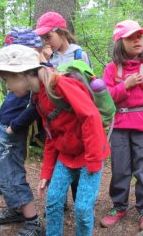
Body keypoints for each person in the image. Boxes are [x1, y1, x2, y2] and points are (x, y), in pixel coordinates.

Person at [0, 44, 110, 236]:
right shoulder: (37, 97)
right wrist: (46, 172)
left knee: (82, 209)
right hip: (66, 156)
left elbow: (91, 117)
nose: (8, 88)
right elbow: (52, 135)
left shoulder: (61, 85)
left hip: (89, 155)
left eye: (8, 81)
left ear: (22, 74)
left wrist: (94, 161)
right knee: (52, 203)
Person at [99, 20, 143, 231]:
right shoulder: (111, 70)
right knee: (120, 169)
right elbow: (105, 98)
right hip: (120, 125)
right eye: (131, 37)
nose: (137, 40)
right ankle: (119, 207)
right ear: (121, 42)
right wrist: (125, 86)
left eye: (139, 36)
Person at [0, 26, 46, 236]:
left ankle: (33, 221)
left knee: (11, 175)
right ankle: (16, 209)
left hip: (12, 132)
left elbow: (35, 108)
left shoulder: (35, 75)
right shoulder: (18, 75)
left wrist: (15, 127)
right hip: (1, 127)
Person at [34, 11, 92, 205]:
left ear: (62, 33)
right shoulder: (50, 56)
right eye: (43, 38)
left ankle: (79, 201)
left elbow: (87, 83)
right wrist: (46, 60)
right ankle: (59, 201)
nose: (46, 41)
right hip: (55, 117)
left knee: (76, 158)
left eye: (48, 36)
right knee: (59, 156)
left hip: (74, 116)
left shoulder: (78, 54)